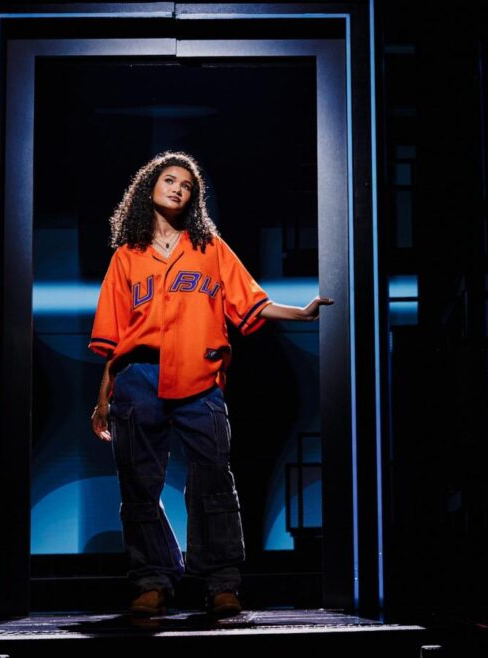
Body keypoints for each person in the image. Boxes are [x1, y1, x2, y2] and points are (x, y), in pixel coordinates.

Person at [87, 151, 333, 618]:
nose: (177, 188)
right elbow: (114, 339)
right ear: (149, 187)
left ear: (193, 199)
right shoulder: (126, 257)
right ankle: (152, 581)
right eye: (169, 179)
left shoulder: (211, 249)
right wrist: (103, 399)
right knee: (138, 487)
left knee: (214, 482)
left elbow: (251, 301)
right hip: (137, 379)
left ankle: (221, 583)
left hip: (200, 380)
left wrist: (300, 313)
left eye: (187, 185)